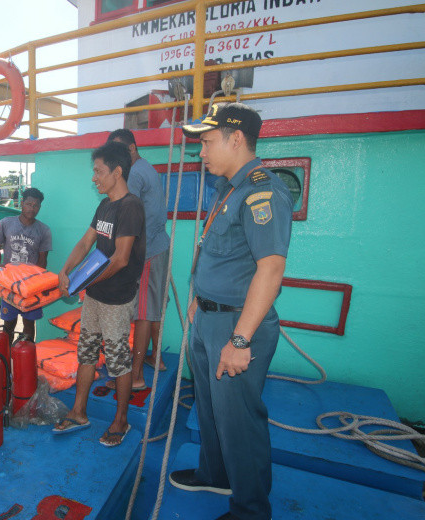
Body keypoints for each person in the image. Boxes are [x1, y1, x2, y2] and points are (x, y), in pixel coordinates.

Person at [169, 103, 292, 520]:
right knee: (209, 408)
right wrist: (197, 300)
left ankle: (251, 510)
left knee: (240, 420)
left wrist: (239, 340)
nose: (200, 152)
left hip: (237, 325)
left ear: (236, 138)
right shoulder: (229, 188)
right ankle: (215, 473)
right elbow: (218, 256)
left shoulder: (262, 191)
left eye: (206, 142)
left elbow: (271, 268)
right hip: (208, 318)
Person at [53, 141, 146, 447]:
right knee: (87, 352)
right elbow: (85, 242)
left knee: (119, 360)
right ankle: (79, 412)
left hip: (117, 299)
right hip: (95, 296)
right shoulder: (104, 205)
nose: (94, 177)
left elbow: (121, 259)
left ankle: (121, 421)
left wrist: (85, 283)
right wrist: (66, 271)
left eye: (98, 171)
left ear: (117, 172)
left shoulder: (130, 206)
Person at [105, 128, 171, 392]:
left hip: (147, 252)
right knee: (153, 305)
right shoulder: (146, 168)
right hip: (158, 246)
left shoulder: (135, 174)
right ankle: (158, 358)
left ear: (132, 149)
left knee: (143, 312)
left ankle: (136, 376)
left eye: (120, 152)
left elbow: (126, 218)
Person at [0, 187, 52, 341]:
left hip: (30, 286)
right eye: (29, 204)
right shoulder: (5, 223)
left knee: (29, 325)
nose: (32, 208)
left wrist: (39, 284)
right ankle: (6, 358)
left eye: (36, 205)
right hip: (9, 284)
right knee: (8, 324)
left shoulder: (44, 230)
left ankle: (27, 358)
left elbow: (43, 259)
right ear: (22, 203)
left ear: (39, 207)